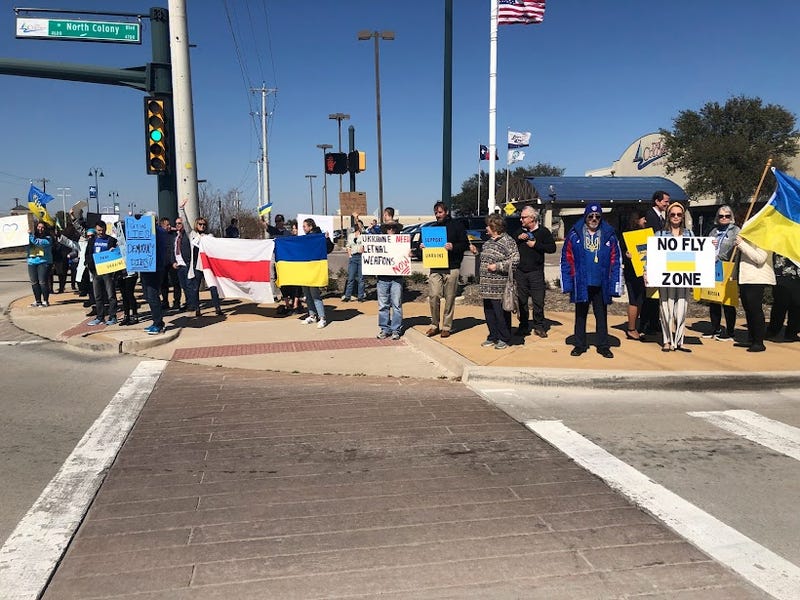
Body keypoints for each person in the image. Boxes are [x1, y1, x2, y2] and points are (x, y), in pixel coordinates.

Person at [560, 203, 622, 359]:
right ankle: (579, 345)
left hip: (601, 282)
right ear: (585, 217)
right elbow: (566, 259)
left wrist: (615, 284)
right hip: (581, 281)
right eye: (590, 216)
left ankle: (603, 346)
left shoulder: (609, 236)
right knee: (580, 315)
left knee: (601, 316)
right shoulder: (574, 235)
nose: (594, 219)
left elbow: (615, 260)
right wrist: (567, 282)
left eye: (597, 216)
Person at [422, 201, 469, 338]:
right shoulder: (432, 228)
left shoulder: (457, 226)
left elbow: (464, 244)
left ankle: (446, 326)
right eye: (436, 213)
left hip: (452, 267)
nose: (438, 215)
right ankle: (434, 325)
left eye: (440, 212)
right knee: (434, 295)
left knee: (449, 298)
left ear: (446, 212)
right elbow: (424, 251)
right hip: (435, 267)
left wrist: (453, 247)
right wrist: (423, 248)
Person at [654, 202, 694, 352]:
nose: (676, 217)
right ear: (668, 216)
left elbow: (697, 254)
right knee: (666, 309)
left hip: (684, 277)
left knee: (682, 309)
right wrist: (646, 271)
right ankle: (666, 341)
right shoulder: (660, 234)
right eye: (673, 214)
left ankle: (679, 341)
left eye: (679, 214)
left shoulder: (689, 234)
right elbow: (652, 256)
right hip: (665, 277)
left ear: (683, 216)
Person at [514, 206, 556, 338]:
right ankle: (523, 326)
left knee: (538, 301)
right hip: (520, 271)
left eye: (524, 217)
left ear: (532, 218)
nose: (521, 219)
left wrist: (536, 245)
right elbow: (510, 246)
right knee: (522, 301)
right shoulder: (518, 231)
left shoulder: (543, 232)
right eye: (521, 217)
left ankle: (539, 326)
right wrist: (518, 239)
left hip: (536, 272)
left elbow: (552, 248)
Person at [479, 213, 520, 350]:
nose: (486, 228)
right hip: (486, 286)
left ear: (494, 226)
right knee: (489, 312)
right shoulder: (488, 242)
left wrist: (497, 266)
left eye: (488, 225)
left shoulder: (508, 241)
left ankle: (504, 337)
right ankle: (493, 336)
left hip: (500, 286)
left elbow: (515, 261)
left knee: (501, 313)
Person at [179, 200, 224, 318]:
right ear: (196, 225)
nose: (202, 226)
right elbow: (186, 223)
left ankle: (217, 307)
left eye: (204, 224)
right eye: (200, 224)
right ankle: (197, 308)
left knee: (213, 287)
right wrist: (182, 209)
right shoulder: (192, 235)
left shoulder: (210, 236)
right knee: (195, 288)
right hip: (197, 266)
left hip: (208, 266)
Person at [704, 205, 739, 341]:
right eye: (721, 216)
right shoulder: (713, 231)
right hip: (713, 267)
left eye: (727, 216)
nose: (724, 218)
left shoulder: (736, 231)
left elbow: (733, 249)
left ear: (731, 217)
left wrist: (718, 257)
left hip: (728, 268)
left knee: (727, 300)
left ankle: (730, 331)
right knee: (713, 298)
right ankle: (715, 328)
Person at [734, 236, 775, 352]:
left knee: (755, 309)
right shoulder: (747, 238)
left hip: (757, 279)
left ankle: (759, 342)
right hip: (745, 278)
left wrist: (742, 244)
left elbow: (759, 258)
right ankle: (751, 338)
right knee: (748, 308)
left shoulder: (764, 238)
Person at [640, 190, 671, 335]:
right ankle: (645, 324)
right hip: (650, 260)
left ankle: (654, 322)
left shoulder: (661, 217)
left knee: (655, 295)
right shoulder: (649, 216)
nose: (667, 204)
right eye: (665, 201)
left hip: (659, 260)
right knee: (649, 295)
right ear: (657, 201)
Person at [142, 214, 175, 335]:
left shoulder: (159, 232)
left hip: (155, 268)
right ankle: (156, 321)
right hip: (147, 267)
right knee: (149, 296)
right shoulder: (156, 231)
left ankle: (158, 323)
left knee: (153, 295)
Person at [300, 218, 334, 328]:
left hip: (314, 269)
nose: (303, 228)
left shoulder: (318, 237)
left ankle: (322, 317)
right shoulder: (306, 238)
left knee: (314, 294)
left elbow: (329, 249)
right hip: (305, 269)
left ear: (310, 226)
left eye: (305, 226)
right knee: (307, 293)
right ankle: (312, 315)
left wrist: (327, 239)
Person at [620, 208, 648, 340]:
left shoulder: (645, 234)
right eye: (643, 218)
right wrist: (627, 255)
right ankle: (631, 328)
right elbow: (622, 253)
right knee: (634, 300)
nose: (645, 221)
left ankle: (635, 326)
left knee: (640, 299)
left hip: (642, 271)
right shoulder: (628, 235)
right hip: (632, 272)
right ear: (637, 220)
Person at [376, 220, 406, 340]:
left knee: (397, 304)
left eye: (393, 227)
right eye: (388, 227)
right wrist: (366, 251)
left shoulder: (402, 242)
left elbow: (406, 256)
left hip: (397, 278)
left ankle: (395, 330)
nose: (391, 230)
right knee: (383, 305)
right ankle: (384, 329)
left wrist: (408, 255)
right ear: (385, 229)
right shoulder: (378, 242)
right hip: (382, 278)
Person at [86, 221, 119, 326]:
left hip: (107, 271)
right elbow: (88, 253)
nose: (100, 232)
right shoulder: (92, 240)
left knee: (111, 295)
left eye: (102, 230)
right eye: (98, 230)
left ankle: (112, 316)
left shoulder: (111, 240)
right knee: (98, 295)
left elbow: (118, 252)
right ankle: (100, 317)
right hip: (96, 271)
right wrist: (89, 264)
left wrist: (114, 250)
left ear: (105, 229)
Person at [766, 253, 800, 342]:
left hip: (798, 275)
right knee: (780, 304)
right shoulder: (780, 241)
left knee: (797, 304)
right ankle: (773, 331)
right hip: (781, 274)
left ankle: (792, 332)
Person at [171, 215, 195, 313]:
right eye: (176, 223)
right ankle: (188, 302)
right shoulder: (176, 236)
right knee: (184, 286)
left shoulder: (187, 235)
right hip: (179, 264)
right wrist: (173, 261)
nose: (177, 225)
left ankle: (192, 304)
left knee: (189, 285)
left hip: (187, 264)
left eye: (179, 223)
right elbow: (172, 250)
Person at [27, 221, 54, 307]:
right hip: (32, 261)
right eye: (39, 227)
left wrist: (30, 235)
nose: (40, 229)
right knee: (34, 282)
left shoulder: (48, 239)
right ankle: (37, 300)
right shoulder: (30, 237)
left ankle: (45, 300)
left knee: (42, 282)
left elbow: (37, 242)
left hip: (44, 262)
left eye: (42, 227)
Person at [342, 215, 365, 302]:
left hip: (361, 257)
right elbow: (348, 246)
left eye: (360, 225)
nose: (358, 226)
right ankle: (347, 296)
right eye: (357, 225)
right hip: (353, 257)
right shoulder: (351, 235)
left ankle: (361, 296)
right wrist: (350, 255)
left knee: (361, 278)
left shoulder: (363, 235)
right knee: (351, 277)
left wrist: (357, 218)